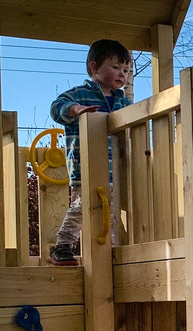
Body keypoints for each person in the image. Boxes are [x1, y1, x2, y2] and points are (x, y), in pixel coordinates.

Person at [47, 39, 132, 266]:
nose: (122, 74)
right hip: (86, 165)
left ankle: (110, 251)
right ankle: (63, 245)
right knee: (84, 205)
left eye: (126, 70)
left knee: (111, 213)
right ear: (95, 68)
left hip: (117, 171)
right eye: (115, 67)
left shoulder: (125, 102)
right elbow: (57, 107)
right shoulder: (81, 94)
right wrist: (76, 110)